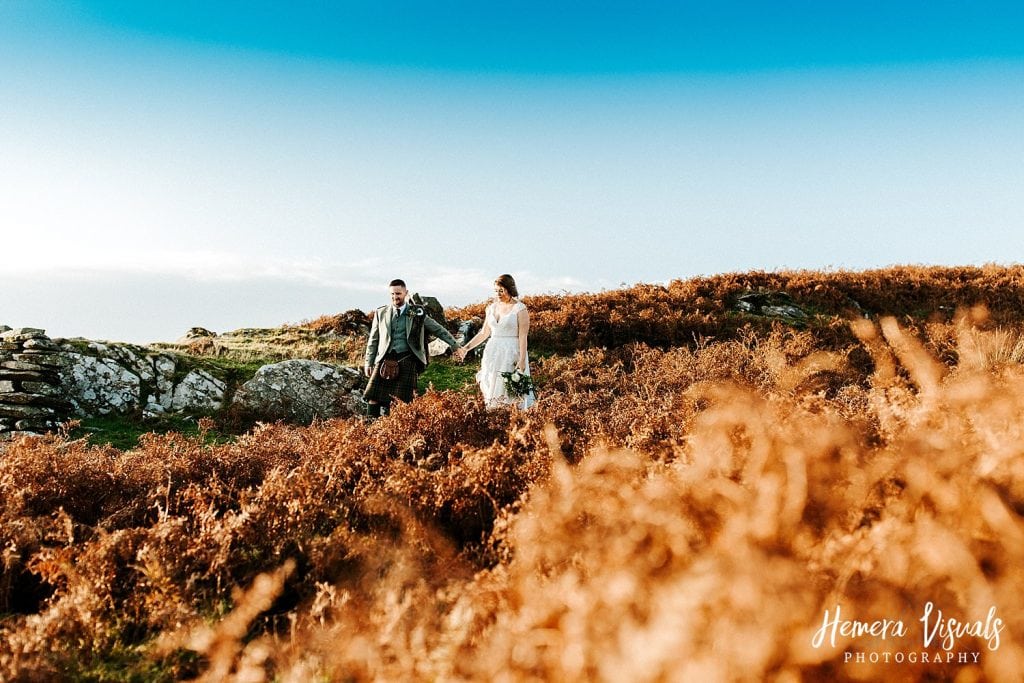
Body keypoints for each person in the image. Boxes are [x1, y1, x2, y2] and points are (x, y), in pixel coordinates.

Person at [363, 279, 461, 418]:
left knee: (401, 401)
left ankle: (395, 430)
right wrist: (368, 362)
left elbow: (438, 329)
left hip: (407, 359)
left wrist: (455, 345)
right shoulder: (381, 312)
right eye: (392, 294)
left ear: (406, 293)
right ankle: (369, 429)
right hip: (384, 358)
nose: (395, 297)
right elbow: (373, 339)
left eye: (398, 293)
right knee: (373, 397)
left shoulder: (416, 313)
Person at [454, 274, 535, 409]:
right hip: (493, 351)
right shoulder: (491, 308)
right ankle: (494, 414)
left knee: (509, 386)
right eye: (496, 291)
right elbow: (484, 333)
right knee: (491, 381)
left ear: (510, 289)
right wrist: (466, 348)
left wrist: (521, 360)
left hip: (511, 351)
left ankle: (512, 416)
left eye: (501, 290)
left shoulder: (520, 309)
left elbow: (523, 336)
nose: (498, 294)